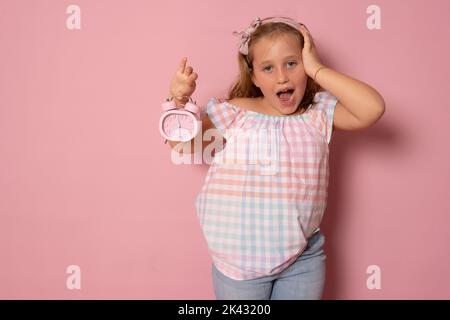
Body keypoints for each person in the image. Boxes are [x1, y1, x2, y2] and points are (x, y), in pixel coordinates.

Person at [165, 16, 385, 300]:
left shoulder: (317, 113)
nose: (282, 76)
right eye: (268, 68)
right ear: (254, 76)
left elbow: (372, 109)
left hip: (302, 258)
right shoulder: (235, 112)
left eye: (292, 64)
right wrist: (177, 99)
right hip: (238, 262)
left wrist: (317, 68)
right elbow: (181, 145)